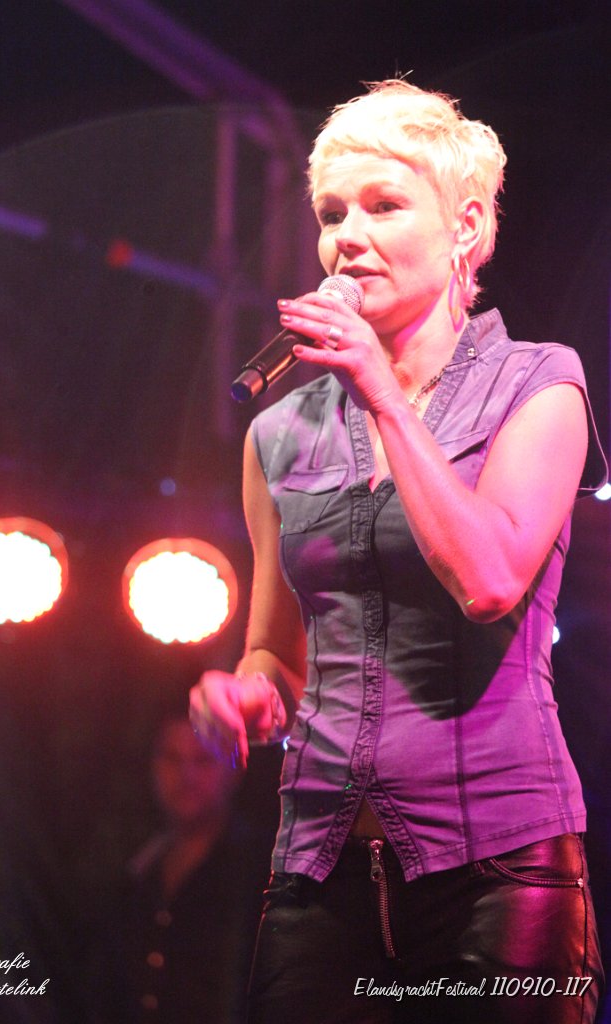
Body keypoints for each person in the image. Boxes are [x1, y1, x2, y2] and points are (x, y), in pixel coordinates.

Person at [189, 79, 607, 1024]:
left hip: (500, 870)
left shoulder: (539, 384)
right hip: (319, 869)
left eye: (383, 206)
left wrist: (381, 392)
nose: (348, 236)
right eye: (332, 214)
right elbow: (276, 651)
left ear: (466, 227)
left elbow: (490, 580)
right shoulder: (277, 435)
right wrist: (248, 691)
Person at [123, 715, 273, 1024]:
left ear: (235, 769)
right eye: (172, 759)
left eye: (203, 759)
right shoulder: (138, 867)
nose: (186, 775)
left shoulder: (260, 872)